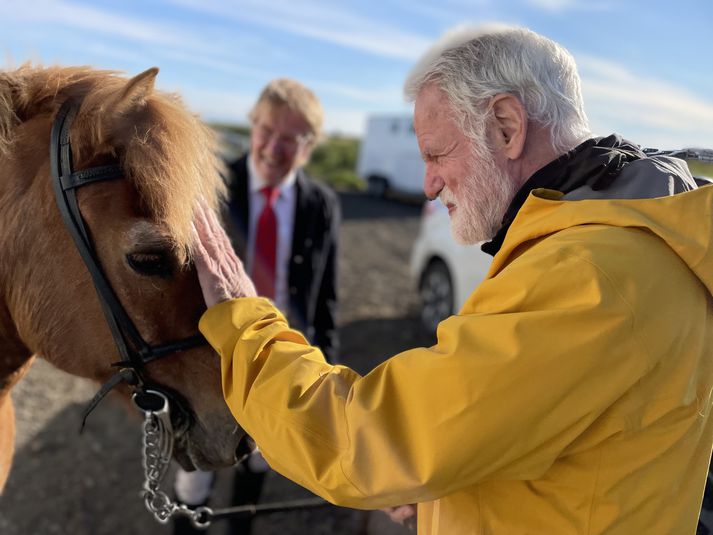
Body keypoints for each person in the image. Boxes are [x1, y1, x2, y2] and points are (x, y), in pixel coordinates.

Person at [190, 25, 713, 534]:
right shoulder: (627, 239)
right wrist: (443, 486)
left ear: (506, 125)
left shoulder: (592, 275)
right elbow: (541, 441)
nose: (428, 183)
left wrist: (243, 325)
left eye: (437, 153)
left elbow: (366, 442)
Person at [174, 78, 340, 535]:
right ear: (253, 126)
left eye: (292, 138)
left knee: (257, 471)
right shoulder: (207, 193)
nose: (274, 147)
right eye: (268, 130)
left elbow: (325, 299)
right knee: (194, 482)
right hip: (211, 362)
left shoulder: (320, 205)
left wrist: (324, 374)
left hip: (279, 361)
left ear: (308, 147)